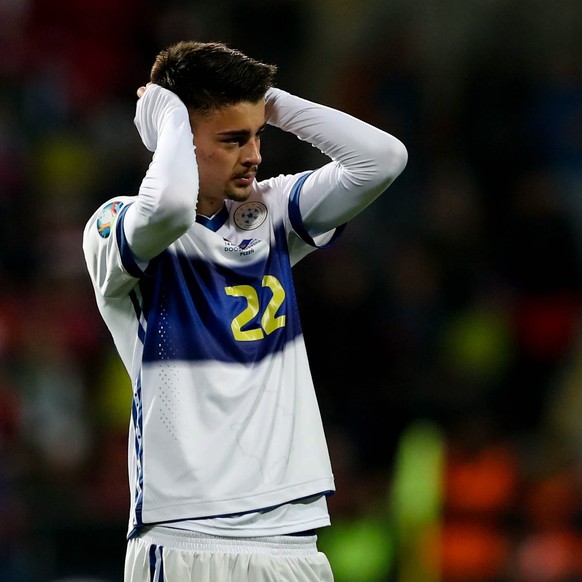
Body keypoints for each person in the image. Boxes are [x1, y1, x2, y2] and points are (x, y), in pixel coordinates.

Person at [82, 40, 407, 582]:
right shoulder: (115, 226)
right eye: (234, 140)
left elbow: (382, 159)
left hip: (293, 534)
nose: (255, 154)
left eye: (257, 135)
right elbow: (166, 205)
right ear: (179, 140)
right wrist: (165, 110)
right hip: (188, 534)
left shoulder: (270, 212)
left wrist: (269, 103)